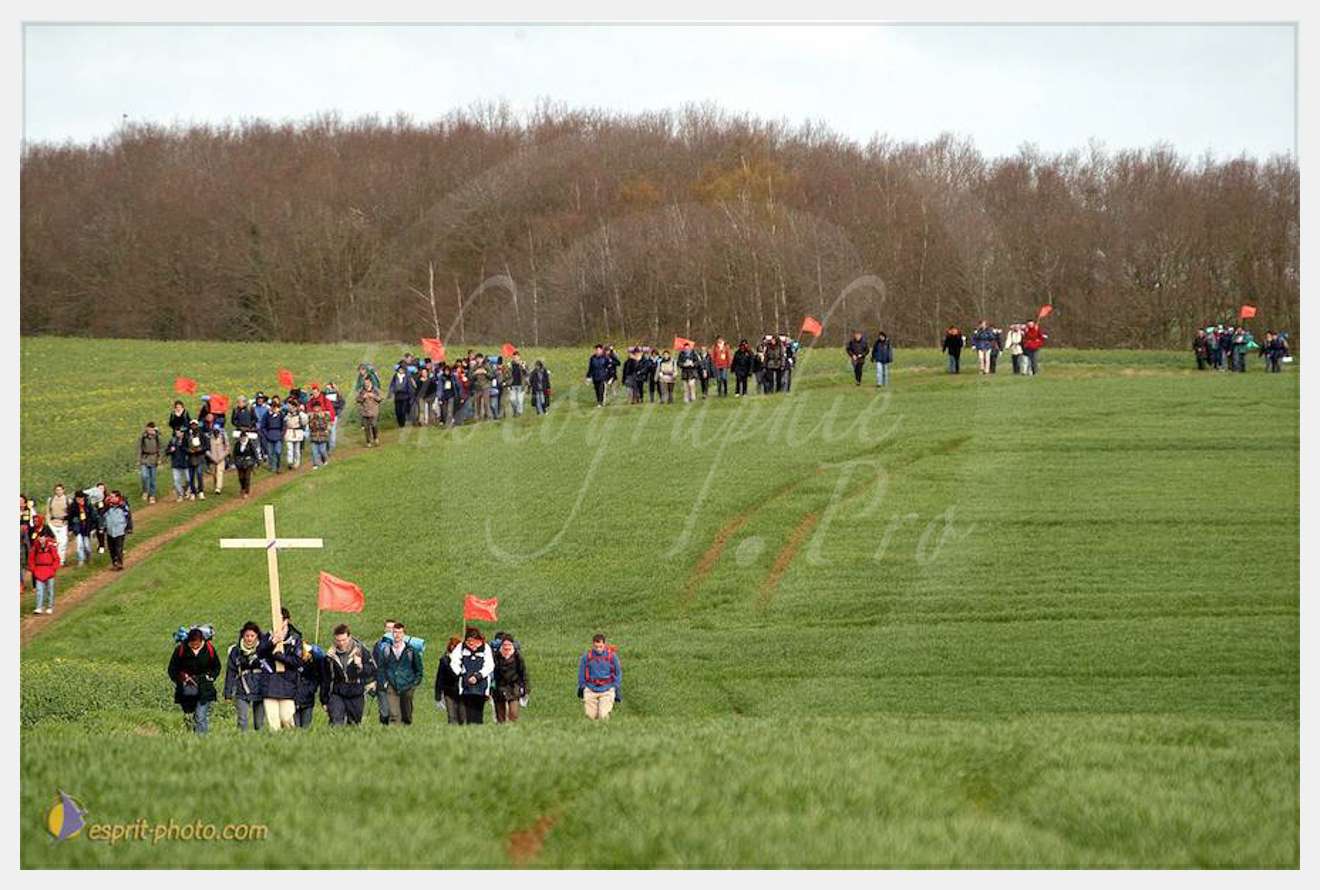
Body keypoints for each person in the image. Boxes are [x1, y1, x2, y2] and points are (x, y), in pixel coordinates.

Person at [321, 624, 377, 726]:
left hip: (356, 691)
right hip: (338, 692)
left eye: (344, 640)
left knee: (354, 724)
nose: (341, 643)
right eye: (338, 640)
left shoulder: (361, 650)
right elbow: (326, 679)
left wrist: (360, 665)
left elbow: (373, 670)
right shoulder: (330, 656)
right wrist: (324, 700)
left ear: (349, 637)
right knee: (336, 721)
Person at [257, 608, 303, 732]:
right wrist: (272, 642)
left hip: (288, 684)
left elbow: (297, 662)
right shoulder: (268, 636)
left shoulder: (295, 638)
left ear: (286, 621)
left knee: (287, 719)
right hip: (269, 684)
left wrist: (279, 657)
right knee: (273, 723)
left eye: (280, 619)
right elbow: (260, 653)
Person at [168, 628, 220, 734]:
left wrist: (210, 677)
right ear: (188, 641)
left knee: (200, 716)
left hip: (205, 689)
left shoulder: (209, 649)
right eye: (192, 644)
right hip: (186, 690)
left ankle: (201, 744)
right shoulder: (180, 649)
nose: (195, 646)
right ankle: (192, 739)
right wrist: (181, 679)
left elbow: (217, 667)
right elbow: (172, 669)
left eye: (197, 644)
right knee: (190, 717)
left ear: (202, 641)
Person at [223, 622, 268, 732]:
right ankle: (241, 743)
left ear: (257, 636)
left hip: (260, 689)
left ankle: (261, 745)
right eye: (247, 636)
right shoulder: (236, 651)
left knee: (259, 723)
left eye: (252, 636)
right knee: (242, 720)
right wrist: (228, 693)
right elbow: (231, 672)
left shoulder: (263, 649)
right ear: (243, 636)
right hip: (242, 689)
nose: (249, 639)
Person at [379, 620, 424, 725]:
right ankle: (394, 734)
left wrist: (414, 683)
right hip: (391, 684)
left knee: (406, 714)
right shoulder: (386, 651)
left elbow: (419, 669)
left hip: (407, 685)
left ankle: (406, 729)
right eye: (395, 632)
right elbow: (381, 668)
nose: (397, 635)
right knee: (393, 713)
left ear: (404, 634)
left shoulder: (411, 651)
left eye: (399, 632)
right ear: (392, 634)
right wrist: (384, 682)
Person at [449, 627, 494, 724]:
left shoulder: (486, 648)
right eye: (469, 641)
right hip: (466, 685)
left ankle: (478, 726)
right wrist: (461, 673)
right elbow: (454, 662)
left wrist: (478, 676)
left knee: (478, 709)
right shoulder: (460, 647)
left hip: (481, 684)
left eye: (474, 641)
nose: (471, 644)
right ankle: (471, 726)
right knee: (468, 708)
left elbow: (489, 665)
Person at [578, 633, 622, 721]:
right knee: (590, 717)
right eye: (596, 647)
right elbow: (581, 673)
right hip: (590, 689)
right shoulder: (586, 657)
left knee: (603, 715)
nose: (598, 649)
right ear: (593, 645)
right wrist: (583, 686)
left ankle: (605, 732)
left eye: (600, 646)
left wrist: (615, 686)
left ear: (604, 644)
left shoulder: (612, 657)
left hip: (607, 690)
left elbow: (618, 673)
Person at [492, 636, 529, 724]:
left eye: (509, 645)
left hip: (513, 688)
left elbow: (523, 673)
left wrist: (526, 688)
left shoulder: (517, 657)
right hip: (499, 688)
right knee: (500, 716)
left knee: (514, 713)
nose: (506, 647)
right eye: (505, 645)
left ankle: (512, 730)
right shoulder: (496, 657)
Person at [28, 520, 59, 614]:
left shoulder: (50, 547)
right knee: (39, 590)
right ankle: (39, 607)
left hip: (49, 570)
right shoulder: (35, 548)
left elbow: (56, 558)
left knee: (50, 589)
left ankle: (50, 606)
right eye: (40, 538)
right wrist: (33, 569)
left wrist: (54, 568)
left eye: (43, 538)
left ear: (45, 538)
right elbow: (31, 559)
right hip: (39, 570)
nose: (41, 540)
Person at [434, 636, 465, 725]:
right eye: (453, 645)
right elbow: (440, 678)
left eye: (456, 646)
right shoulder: (444, 660)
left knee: (463, 717)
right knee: (451, 717)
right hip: (449, 692)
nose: (454, 648)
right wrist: (438, 695)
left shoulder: (464, 659)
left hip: (462, 692)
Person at [293, 640, 323, 729]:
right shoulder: (291, 659)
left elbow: (317, 676)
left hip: (307, 698)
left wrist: (312, 689)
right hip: (293, 697)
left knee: (306, 727)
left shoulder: (314, 660)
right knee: (294, 728)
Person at [101, 490, 132, 570]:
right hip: (110, 530)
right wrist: (102, 527)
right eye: (110, 497)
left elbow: (128, 517)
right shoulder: (107, 506)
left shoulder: (123, 506)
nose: (110, 498)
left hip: (120, 530)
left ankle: (119, 562)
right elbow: (102, 516)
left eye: (112, 497)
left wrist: (129, 528)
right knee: (111, 548)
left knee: (119, 547)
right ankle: (114, 562)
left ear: (117, 497)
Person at [67, 489, 96, 567]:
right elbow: (69, 518)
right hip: (77, 528)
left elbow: (93, 516)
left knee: (87, 545)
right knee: (79, 545)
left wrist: (94, 527)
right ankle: (81, 560)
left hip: (87, 528)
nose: (79, 500)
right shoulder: (73, 506)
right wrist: (70, 529)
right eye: (77, 498)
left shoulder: (89, 505)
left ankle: (89, 557)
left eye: (80, 498)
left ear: (83, 498)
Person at [45, 484, 70, 566]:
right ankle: (53, 559)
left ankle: (61, 560)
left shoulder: (67, 500)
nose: (58, 491)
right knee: (53, 543)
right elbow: (48, 511)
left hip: (63, 523)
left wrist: (67, 521)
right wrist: (48, 522)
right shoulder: (51, 500)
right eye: (57, 490)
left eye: (60, 490)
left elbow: (70, 513)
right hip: (53, 523)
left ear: (63, 490)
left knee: (63, 542)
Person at [184, 419, 208, 499]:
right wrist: (188, 450)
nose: (193, 426)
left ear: (197, 425)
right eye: (192, 425)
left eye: (195, 425)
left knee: (199, 474)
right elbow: (183, 447)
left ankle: (201, 491)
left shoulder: (201, 434)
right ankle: (193, 492)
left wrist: (200, 449)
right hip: (190, 457)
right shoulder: (187, 435)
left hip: (199, 456)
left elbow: (207, 445)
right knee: (191, 476)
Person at [205, 416, 229, 494]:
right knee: (214, 474)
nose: (216, 432)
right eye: (214, 431)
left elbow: (227, 448)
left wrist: (222, 457)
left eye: (217, 431)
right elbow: (207, 449)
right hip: (212, 459)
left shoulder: (223, 437)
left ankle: (218, 488)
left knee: (219, 472)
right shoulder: (209, 438)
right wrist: (211, 457)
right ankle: (216, 486)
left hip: (221, 458)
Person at [138, 422, 161, 504]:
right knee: (144, 476)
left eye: (151, 429)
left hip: (154, 458)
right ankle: (145, 491)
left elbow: (159, 447)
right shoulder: (143, 437)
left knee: (153, 479)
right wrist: (139, 460)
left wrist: (159, 458)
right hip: (145, 458)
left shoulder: (157, 436)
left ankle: (152, 495)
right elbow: (139, 448)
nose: (149, 430)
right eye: (148, 428)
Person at [282, 397, 308, 469]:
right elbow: (284, 421)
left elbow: (304, 422)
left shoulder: (300, 414)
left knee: (297, 449)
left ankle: (297, 462)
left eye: (290, 406)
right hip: (289, 432)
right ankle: (290, 462)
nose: (289, 407)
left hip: (297, 432)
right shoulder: (286, 414)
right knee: (289, 449)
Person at [166, 428, 190, 501]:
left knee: (189, 479)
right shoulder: (173, 441)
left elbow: (190, 450)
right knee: (176, 480)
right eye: (176, 432)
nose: (177, 433)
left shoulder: (187, 440)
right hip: (176, 463)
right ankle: (180, 494)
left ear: (182, 433)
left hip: (186, 463)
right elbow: (166, 451)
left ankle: (188, 490)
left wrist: (183, 448)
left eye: (179, 432)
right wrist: (171, 450)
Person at [232, 431, 259, 498]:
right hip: (240, 463)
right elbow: (234, 453)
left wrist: (257, 461)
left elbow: (254, 453)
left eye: (244, 437)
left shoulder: (250, 444)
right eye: (242, 438)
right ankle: (242, 487)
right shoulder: (237, 444)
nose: (243, 439)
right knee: (241, 477)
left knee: (247, 477)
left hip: (248, 463)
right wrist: (233, 461)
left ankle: (247, 491)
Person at [357, 378, 383, 446]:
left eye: (367, 383)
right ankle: (368, 441)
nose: (366, 384)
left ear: (370, 382)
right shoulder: (361, 391)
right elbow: (357, 400)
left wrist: (373, 396)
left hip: (374, 411)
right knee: (366, 427)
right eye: (365, 383)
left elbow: (380, 398)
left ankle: (375, 438)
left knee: (374, 425)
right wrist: (363, 397)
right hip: (365, 412)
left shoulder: (375, 390)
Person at [308, 401, 331, 469]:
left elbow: (326, 425)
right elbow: (310, 426)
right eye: (315, 407)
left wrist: (320, 420)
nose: (316, 409)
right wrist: (313, 419)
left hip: (322, 435)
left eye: (317, 407)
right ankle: (315, 464)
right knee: (314, 451)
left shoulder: (325, 415)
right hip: (314, 436)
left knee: (322, 450)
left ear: (320, 407)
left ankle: (325, 460)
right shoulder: (311, 416)